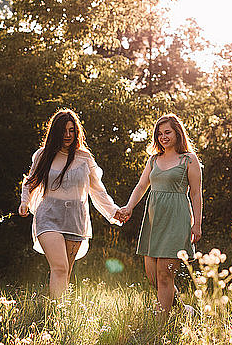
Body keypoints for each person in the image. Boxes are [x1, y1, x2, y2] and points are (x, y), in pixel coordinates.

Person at [18, 109, 123, 298]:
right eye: (63, 130)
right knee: (59, 267)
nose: (67, 135)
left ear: (76, 132)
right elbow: (30, 182)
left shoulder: (84, 158)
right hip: (49, 216)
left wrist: (113, 211)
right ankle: (55, 312)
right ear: (55, 132)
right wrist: (24, 202)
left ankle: (60, 315)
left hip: (76, 219)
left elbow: (97, 190)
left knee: (66, 272)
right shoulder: (43, 155)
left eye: (71, 130)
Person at [118, 113, 203, 321]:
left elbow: (196, 193)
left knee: (165, 275)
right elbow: (141, 186)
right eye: (160, 133)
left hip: (177, 218)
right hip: (153, 220)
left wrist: (197, 224)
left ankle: (160, 328)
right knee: (154, 277)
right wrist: (128, 207)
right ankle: (184, 311)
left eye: (168, 132)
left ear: (177, 133)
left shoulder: (189, 159)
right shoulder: (154, 159)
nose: (163, 136)